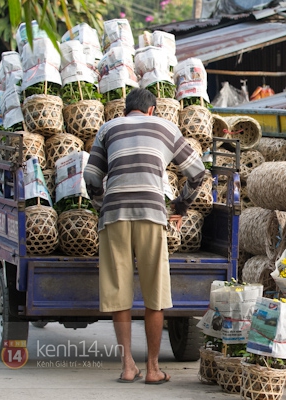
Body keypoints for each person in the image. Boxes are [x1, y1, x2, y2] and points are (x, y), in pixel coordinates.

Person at [84, 88, 205, 384]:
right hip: (152, 213)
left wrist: (103, 205)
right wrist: (180, 205)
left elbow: (90, 178)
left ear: (127, 110)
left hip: (115, 215)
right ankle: (152, 368)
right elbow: (198, 173)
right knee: (155, 294)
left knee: (118, 291)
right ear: (152, 110)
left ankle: (127, 366)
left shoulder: (108, 128)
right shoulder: (166, 127)